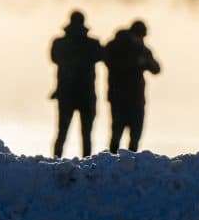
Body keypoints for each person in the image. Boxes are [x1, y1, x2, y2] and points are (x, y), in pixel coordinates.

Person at [49, 10, 104, 158]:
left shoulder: (60, 43)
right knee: (86, 134)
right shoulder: (92, 44)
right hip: (85, 94)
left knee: (62, 132)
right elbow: (102, 55)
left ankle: (56, 162)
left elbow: (54, 57)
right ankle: (86, 164)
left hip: (67, 93)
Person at [103, 19, 161, 153]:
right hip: (122, 98)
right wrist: (136, 62)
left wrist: (144, 61)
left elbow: (156, 69)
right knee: (118, 134)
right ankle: (116, 162)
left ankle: (129, 163)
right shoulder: (116, 47)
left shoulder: (141, 49)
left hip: (133, 98)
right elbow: (109, 61)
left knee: (132, 135)